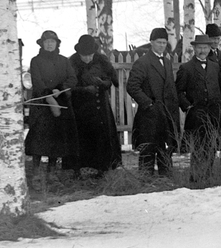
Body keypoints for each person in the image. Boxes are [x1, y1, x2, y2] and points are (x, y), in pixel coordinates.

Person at [26, 30, 80, 178]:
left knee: (56, 139)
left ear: (57, 44)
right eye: (47, 42)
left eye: (52, 42)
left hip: (60, 102)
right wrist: (48, 95)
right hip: (42, 104)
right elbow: (37, 81)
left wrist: (60, 90)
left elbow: (72, 79)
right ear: (42, 44)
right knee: (39, 139)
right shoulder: (36, 61)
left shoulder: (64, 61)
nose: (49, 44)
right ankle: (36, 173)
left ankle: (51, 173)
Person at [126, 27, 179, 176]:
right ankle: (145, 180)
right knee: (148, 148)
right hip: (149, 114)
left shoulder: (167, 62)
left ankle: (165, 178)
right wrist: (148, 103)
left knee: (165, 147)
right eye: (158, 42)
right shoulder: (142, 63)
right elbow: (132, 86)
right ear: (151, 42)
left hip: (165, 113)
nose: (162, 45)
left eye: (164, 42)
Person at [67, 34, 121, 174]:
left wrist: (103, 83)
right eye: (84, 56)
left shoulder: (102, 61)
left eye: (90, 55)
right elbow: (68, 87)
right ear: (79, 53)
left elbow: (112, 80)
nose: (88, 58)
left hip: (100, 106)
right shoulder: (72, 62)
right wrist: (83, 90)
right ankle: (77, 170)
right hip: (80, 107)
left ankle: (103, 168)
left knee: (102, 136)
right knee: (82, 137)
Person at [175, 34, 221, 176]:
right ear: (194, 49)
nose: (202, 50)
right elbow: (178, 91)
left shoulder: (215, 67)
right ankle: (196, 177)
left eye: (205, 47)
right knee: (198, 147)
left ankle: (208, 175)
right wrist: (188, 107)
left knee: (211, 146)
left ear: (210, 49)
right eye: (199, 47)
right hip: (196, 115)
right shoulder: (186, 68)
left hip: (214, 114)